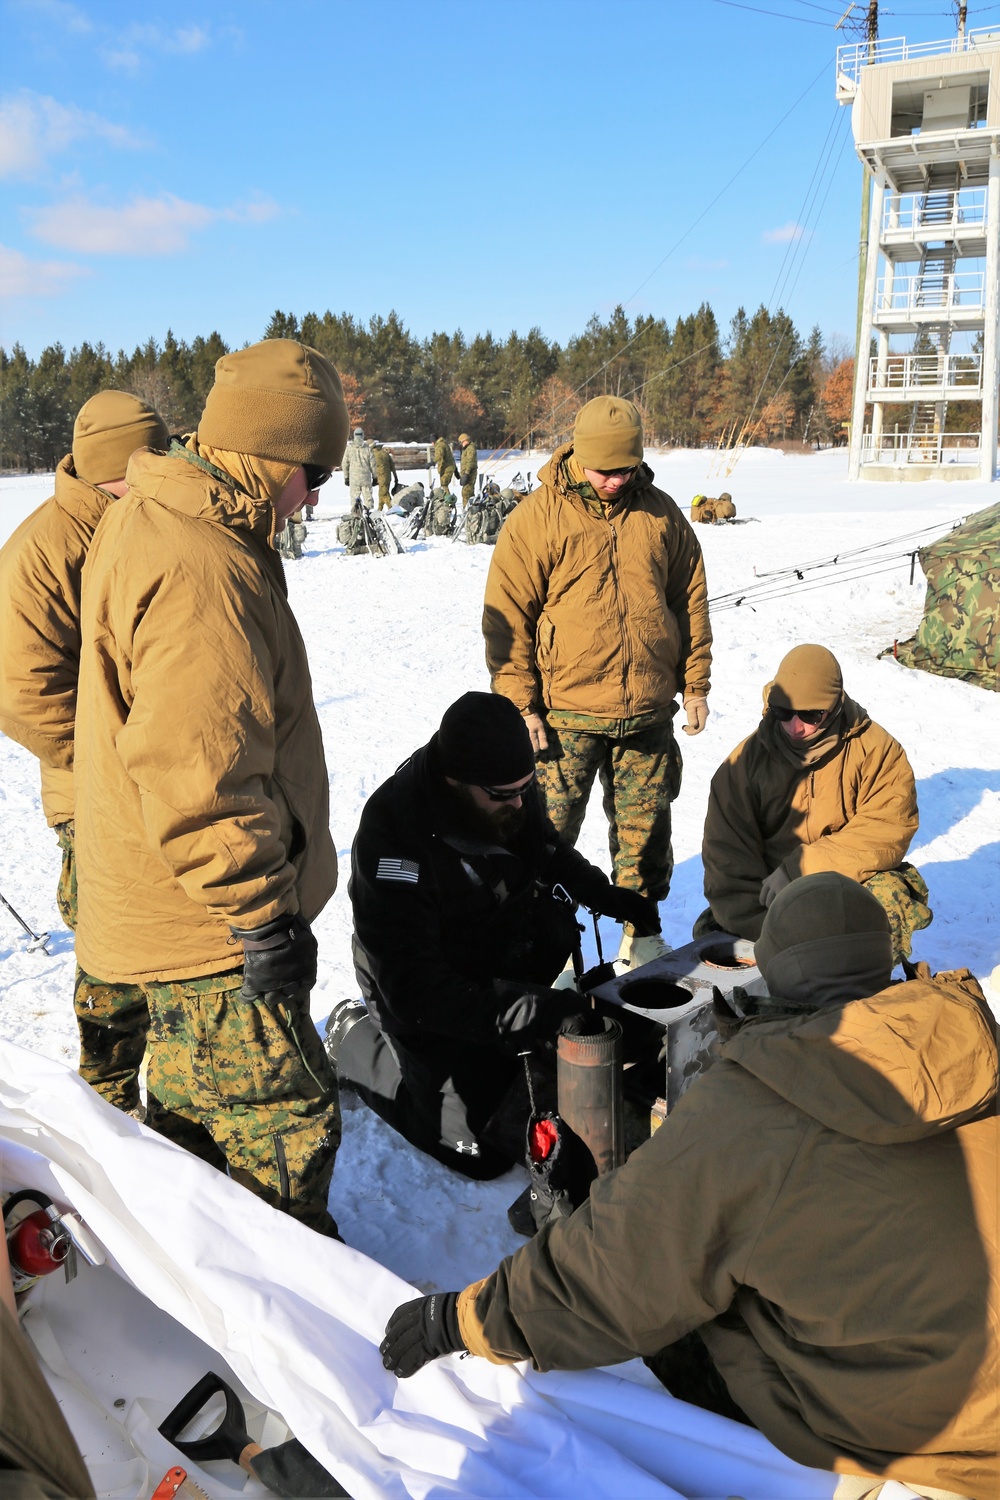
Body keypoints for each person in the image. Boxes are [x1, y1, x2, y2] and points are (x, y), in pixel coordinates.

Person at [381, 872, 999, 1500]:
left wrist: (462, 1320)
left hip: (914, 1436)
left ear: (774, 971)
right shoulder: (973, 1052)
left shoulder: (761, 1105)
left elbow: (614, 1274)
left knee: (688, 1297)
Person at [74, 338, 348, 1236]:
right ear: (268, 451)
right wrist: (263, 912)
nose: (315, 494)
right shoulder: (200, 560)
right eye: (313, 470)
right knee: (285, 1134)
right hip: (211, 932)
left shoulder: (181, 517)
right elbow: (203, 774)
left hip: (173, 913)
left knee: (190, 1132)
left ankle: (197, 1299)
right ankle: (295, 1329)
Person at [327, 692, 660, 1180]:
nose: (521, 801)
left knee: (550, 928)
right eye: (505, 794)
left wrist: (601, 893)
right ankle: (353, 1038)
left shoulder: (506, 784)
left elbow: (542, 846)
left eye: (526, 788)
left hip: (487, 946)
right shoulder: (394, 836)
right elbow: (414, 990)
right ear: (455, 780)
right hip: (417, 985)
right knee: (479, 1153)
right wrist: (532, 1011)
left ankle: (501, 1032)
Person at [483, 395, 712, 969]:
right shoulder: (537, 519)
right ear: (577, 457)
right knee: (545, 836)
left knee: (646, 833)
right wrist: (521, 705)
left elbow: (690, 600)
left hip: (648, 713)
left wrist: (697, 682)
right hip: (564, 717)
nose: (614, 481)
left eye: (625, 469)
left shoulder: (660, 515)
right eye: (603, 470)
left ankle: (644, 933)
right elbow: (508, 617)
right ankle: (549, 948)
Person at [0, 391, 170, 1116]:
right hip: (96, 791)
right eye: (150, 459)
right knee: (107, 948)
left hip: (160, 779)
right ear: (116, 468)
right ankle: (105, 1097)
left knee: (162, 935)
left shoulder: (145, 522)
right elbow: (20, 689)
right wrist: (102, 758)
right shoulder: (43, 550)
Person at [699, 643, 931, 962]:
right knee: (714, 935)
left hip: (844, 882)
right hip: (770, 893)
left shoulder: (878, 752)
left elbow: (886, 830)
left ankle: (856, 992)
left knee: (887, 899)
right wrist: (773, 939)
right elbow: (728, 863)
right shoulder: (742, 767)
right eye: (784, 713)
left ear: (835, 706)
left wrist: (802, 867)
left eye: (810, 715)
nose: (796, 727)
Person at [342, 426, 377, 510]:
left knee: (354, 498)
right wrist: (375, 477)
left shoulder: (349, 448)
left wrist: (346, 477)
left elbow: (345, 463)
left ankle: (356, 514)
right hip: (366, 478)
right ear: (363, 435)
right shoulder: (367, 449)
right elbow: (373, 464)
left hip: (354, 478)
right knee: (368, 498)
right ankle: (369, 513)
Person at [372, 440, 397, 510]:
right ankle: (380, 508)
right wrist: (396, 478)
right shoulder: (385, 453)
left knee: (383, 494)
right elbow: (392, 466)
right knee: (384, 492)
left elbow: (371, 467)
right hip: (388, 477)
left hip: (380, 478)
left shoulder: (373, 455)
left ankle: (391, 508)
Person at [458, 432, 477, 506]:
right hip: (466, 473)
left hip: (470, 474)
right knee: (469, 493)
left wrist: (466, 473)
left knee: (466, 493)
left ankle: (466, 509)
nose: (461, 444)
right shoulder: (466, 449)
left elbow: (470, 461)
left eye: (462, 442)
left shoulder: (470, 448)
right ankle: (471, 508)